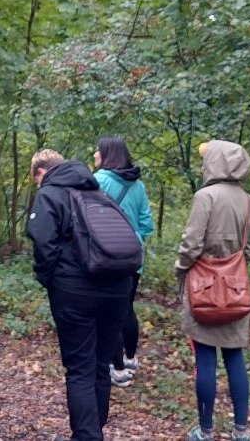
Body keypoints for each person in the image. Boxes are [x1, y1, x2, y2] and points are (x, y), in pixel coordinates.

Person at [26, 149, 133, 441]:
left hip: (75, 292)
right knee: (100, 364)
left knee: (80, 368)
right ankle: (92, 431)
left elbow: (42, 242)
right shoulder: (98, 193)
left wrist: (50, 280)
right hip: (118, 288)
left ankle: (87, 436)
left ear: (42, 172)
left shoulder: (50, 195)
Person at [175, 140, 250, 441]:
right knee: (235, 356)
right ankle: (241, 429)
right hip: (237, 290)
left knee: (206, 358)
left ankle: (206, 430)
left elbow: (191, 244)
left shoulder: (205, 196)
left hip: (203, 287)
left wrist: (181, 268)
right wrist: (232, 267)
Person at [92, 136, 154, 387]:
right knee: (127, 308)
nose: (94, 154)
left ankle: (116, 368)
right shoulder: (137, 185)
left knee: (109, 314)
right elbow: (146, 224)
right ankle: (130, 358)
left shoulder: (97, 181)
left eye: (97, 151)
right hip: (133, 256)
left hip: (107, 255)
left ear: (107, 154)